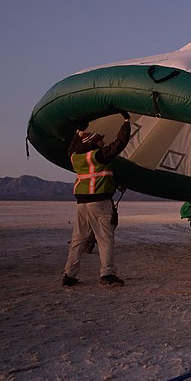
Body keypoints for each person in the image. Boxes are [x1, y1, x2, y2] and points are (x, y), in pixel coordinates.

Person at [62, 111, 132, 287]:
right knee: (105, 238)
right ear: (93, 143)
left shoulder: (74, 158)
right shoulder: (98, 156)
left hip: (81, 204)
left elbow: (72, 147)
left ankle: (69, 275)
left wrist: (79, 131)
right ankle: (107, 274)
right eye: (100, 140)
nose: (103, 142)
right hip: (99, 203)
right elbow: (119, 144)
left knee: (78, 239)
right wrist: (126, 121)